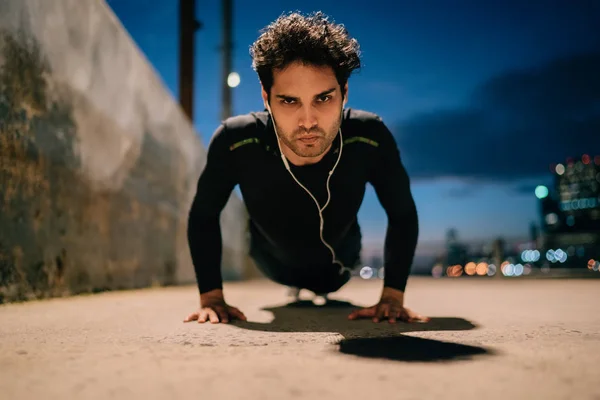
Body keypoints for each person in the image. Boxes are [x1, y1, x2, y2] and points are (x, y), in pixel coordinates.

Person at [183, 11, 430, 325]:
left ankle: (316, 286)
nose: (308, 121)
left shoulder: (369, 136)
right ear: (266, 97)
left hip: (341, 265)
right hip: (270, 261)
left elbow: (402, 213)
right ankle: (296, 286)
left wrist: (393, 296)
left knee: (331, 275)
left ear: (345, 93)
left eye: (324, 98)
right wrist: (211, 298)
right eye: (289, 101)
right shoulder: (236, 140)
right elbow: (204, 215)